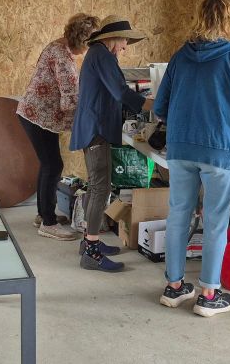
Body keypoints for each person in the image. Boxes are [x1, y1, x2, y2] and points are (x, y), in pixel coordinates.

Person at [153, 0, 230, 317]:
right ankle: (209, 294)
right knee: (215, 222)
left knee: (178, 215)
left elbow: (160, 108)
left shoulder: (179, 57)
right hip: (221, 150)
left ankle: (174, 287)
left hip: (180, 148)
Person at [69, 15, 152, 272]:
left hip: (96, 127)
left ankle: (88, 242)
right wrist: (154, 107)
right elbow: (121, 92)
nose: (126, 46)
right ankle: (91, 252)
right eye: (125, 40)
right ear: (112, 38)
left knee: (99, 186)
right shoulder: (102, 55)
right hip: (95, 130)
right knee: (100, 187)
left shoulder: (101, 55)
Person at [17, 14, 100, 241]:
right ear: (82, 40)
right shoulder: (63, 58)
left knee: (49, 164)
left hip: (37, 114)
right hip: (38, 116)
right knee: (53, 165)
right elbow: (70, 101)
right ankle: (48, 223)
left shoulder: (57, 45)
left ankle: (44, 214)